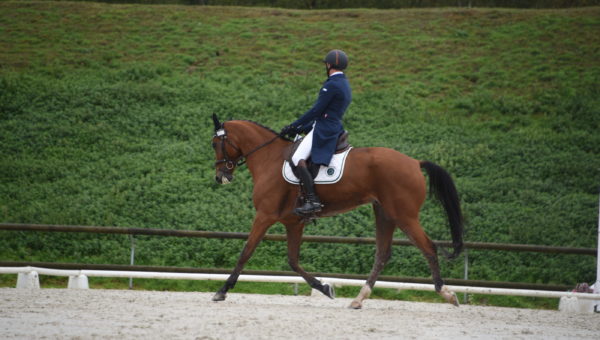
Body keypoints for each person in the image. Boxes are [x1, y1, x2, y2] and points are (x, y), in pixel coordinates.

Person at [280, 49, 352, 216]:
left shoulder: (332, 85)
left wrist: (293, 125)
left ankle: (312, 200)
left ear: (329, 65)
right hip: (332, 124)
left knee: (298, 158)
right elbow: (325, 113)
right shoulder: (345, 83)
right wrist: (300, 128)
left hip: (325, 128)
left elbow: (316, 111)